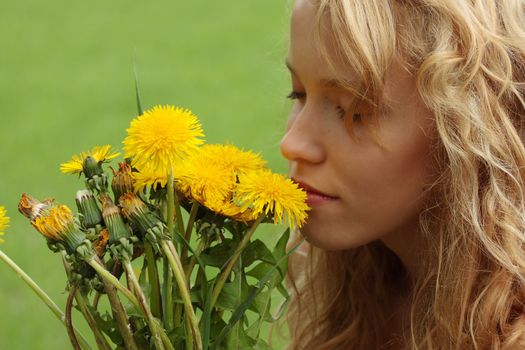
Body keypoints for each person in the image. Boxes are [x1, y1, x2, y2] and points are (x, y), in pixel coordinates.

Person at [278, 0, 525, 349]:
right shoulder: (355, 295)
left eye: (353, 111)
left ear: (468, 129)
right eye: (298, 93)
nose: (292, 143)